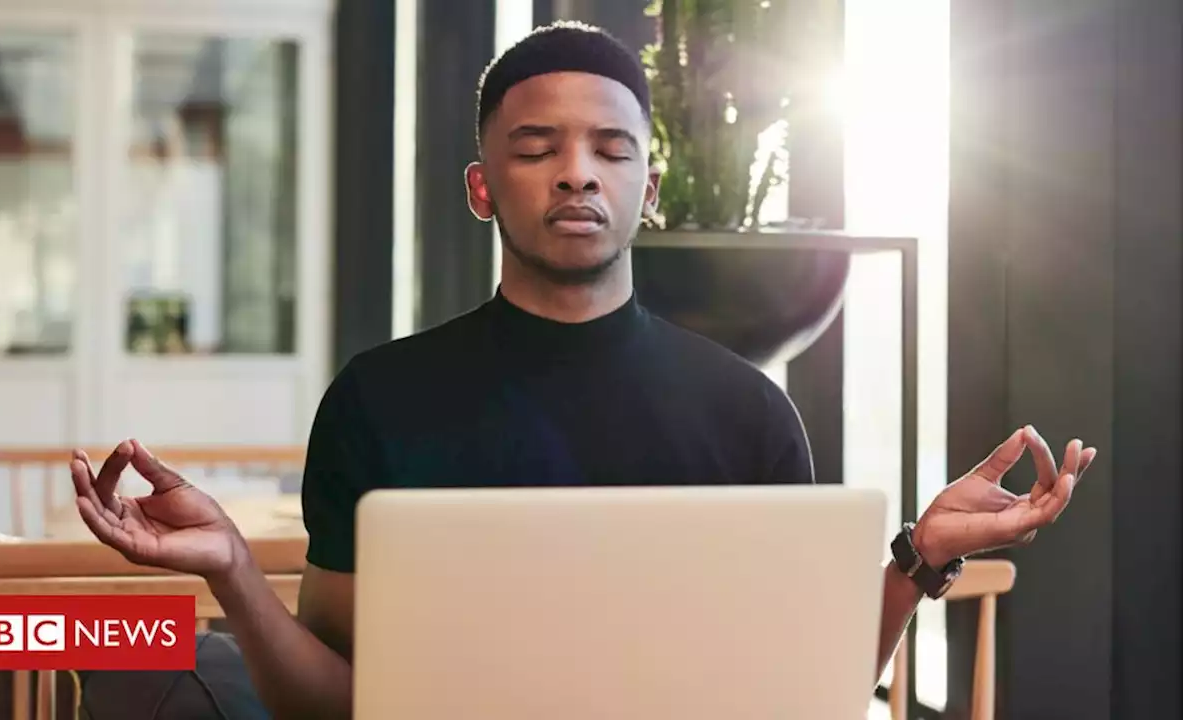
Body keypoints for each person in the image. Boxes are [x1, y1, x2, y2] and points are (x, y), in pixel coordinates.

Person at [70, 21, 1097, 720]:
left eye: (610, 147)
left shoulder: (748, 413)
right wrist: (234, 576)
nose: (575, 169)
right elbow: (336, 705)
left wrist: (916, 558)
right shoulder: (376, 400)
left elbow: (804, 687)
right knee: (126, 661)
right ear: (481, 188)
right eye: (535, 146)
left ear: (646, 187)